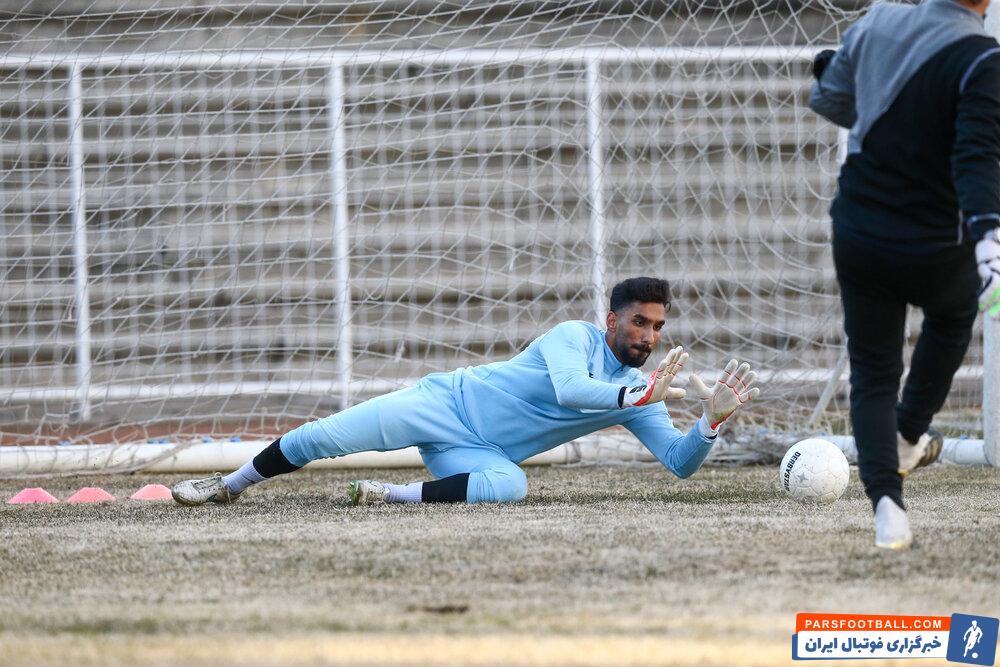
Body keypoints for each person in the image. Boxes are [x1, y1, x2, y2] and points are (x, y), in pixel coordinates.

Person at [171, 277, 760, 506]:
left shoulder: (642, 388)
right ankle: (229, 485)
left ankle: (388, 495)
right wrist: (638, 397)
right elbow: (572, 390)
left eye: (657, 327)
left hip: (479, 452)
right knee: (324, 438)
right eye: (639, 322)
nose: (649, 336)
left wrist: (710, 421)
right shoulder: (574, 337)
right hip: (444, 404)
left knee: (511, 486)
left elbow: (679, 463)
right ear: (612, 320)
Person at [809, 0, 1000, 549]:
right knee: (953, 318)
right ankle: (910, 433)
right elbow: (976, 157)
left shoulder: (876, 20)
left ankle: (887, 508)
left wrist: (841, 72)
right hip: (936, 242)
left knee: (873, 373)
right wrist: (989, 240)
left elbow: (831, 99)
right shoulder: (983, 58)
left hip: (860, 228)